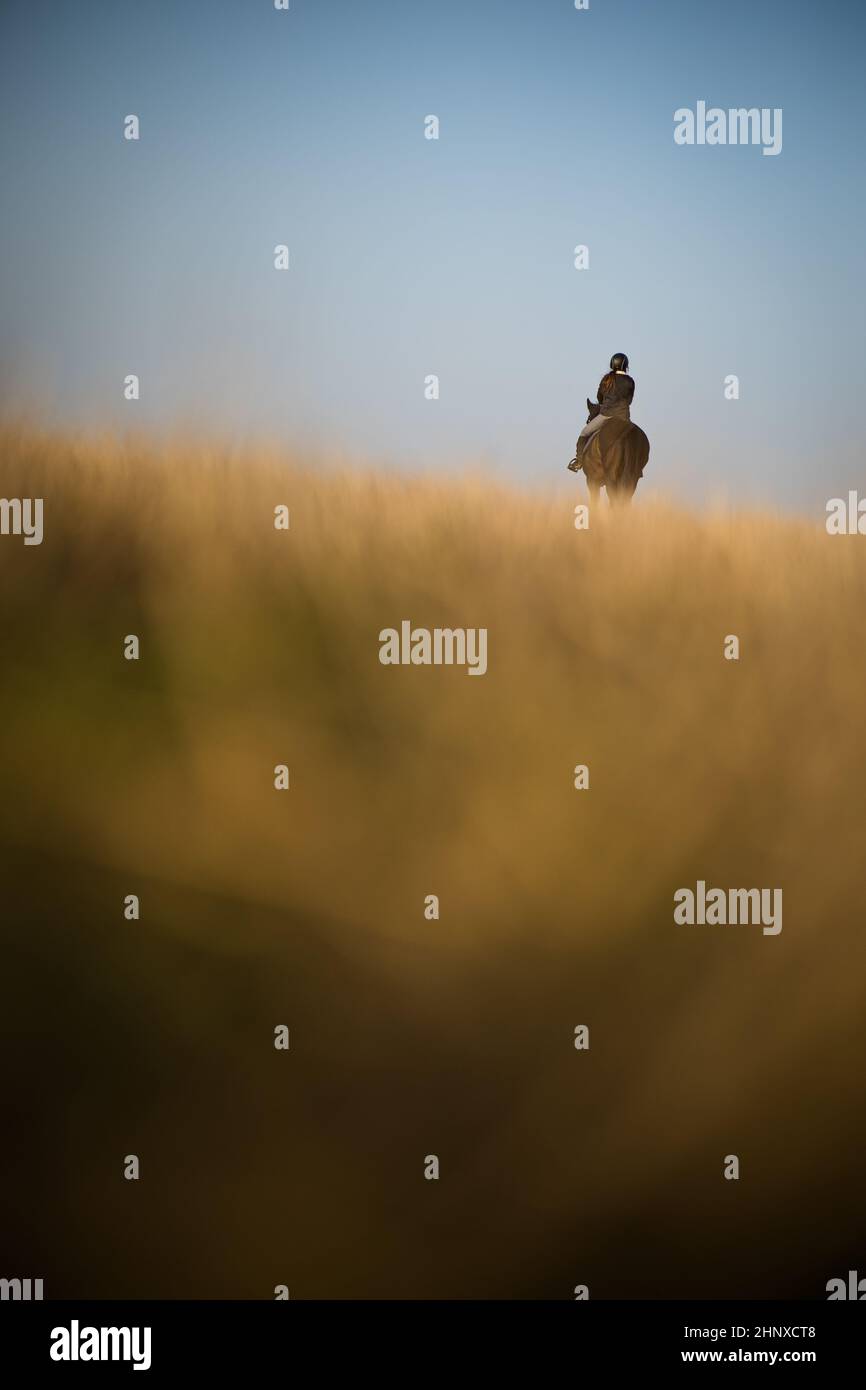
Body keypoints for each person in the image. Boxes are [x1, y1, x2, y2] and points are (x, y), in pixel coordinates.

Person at [575, 352, 635, 460]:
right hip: (623, 417)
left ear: (612, 364)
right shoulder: (630, 381)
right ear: (626, 366)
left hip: (606, 415)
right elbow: (629, 401)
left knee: (584, 433)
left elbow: (600, 398)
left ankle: (578, 461)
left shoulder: (607, 379)